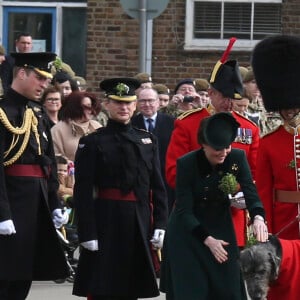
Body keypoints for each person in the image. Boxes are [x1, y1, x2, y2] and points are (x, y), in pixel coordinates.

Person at [72, 77, 168, 300]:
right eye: (118, 102)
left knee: (132, 286)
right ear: (107, 104)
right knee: (103, 286)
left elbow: (157, 186)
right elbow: (83, 190)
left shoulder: (147, 140)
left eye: (128, 103)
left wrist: (161, 223)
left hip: (139, 220)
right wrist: (87, 231)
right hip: (106, 220)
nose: (123, 108)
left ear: (135, 105)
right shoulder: (93, 142)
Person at [160, 112, 268, 300]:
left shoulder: (236, 157)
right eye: (217, 149)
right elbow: (184, 210)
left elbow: (251, 192)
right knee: (193, 290)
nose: (223, 153)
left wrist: (258, 217)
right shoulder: (186, 164)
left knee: (229, 287)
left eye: (227, 147)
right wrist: (207, 240)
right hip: (189, 230)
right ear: (203, 144)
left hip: (220, 225)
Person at [166, 37, 260, 248]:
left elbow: (255, 173)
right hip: (195, 215)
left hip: (232, 218)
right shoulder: (188, 124)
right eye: (224, 97)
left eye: (233, 98)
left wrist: (241, 192)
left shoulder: (249, 128)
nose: (229, 103)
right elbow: (174, 172)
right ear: (210, 93)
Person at [0, 52, 69, 300]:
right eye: (39, 77)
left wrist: (55, 203)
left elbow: (46, 163)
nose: (44, 84)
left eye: (46, 78)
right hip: (11, 206)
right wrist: (3, 214)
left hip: (33, 206)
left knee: (22, 278)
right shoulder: (2, 111)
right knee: (4, 278)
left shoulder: (36, 113)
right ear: (21, 73)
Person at [253, 35, 300, 240]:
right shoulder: (269, 142)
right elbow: (264, 191)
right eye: (285, 108)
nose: (289, 112)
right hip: (285, 222)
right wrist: (267, 231)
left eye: (293, 107)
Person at [131, 87, 175, 212]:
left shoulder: (171, 123)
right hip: (140, 178)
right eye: (143, 101)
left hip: (165, 176)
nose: (147, 104)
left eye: (150, 100)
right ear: (137, 103)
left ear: (158, 102)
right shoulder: (131, 124)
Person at [51, 91, 101, 162]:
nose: (91, 110)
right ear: (75, 107)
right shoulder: (58, 130)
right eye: (86, 107)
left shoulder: (97, 126)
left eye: (91, 106)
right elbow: (56, 158)